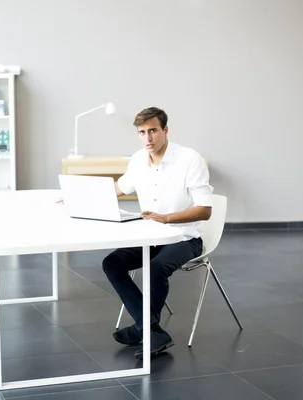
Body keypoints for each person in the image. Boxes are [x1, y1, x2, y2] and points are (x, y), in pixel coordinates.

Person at [103, 106, 213, 360]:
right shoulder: (138, 160)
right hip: (150, 235)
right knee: (112, 262)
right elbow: (119, 188)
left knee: (155, 268)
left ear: (165, 130)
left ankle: (144, 329)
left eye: (153, 130)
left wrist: (167, 218)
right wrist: (78, 197)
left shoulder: (189, 159)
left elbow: (205, 210)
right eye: (142, 132)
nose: (148, 138)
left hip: (185, 237)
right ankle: (149, 329)